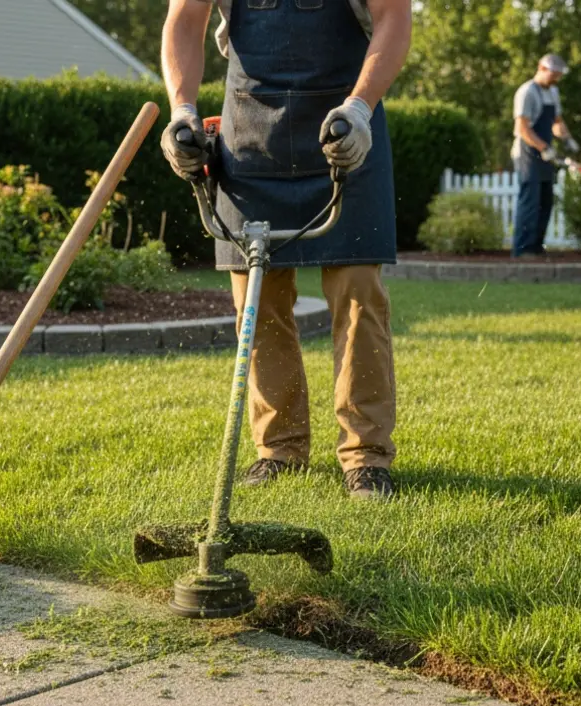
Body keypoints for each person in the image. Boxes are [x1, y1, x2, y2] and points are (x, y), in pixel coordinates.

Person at [159, 0, 412, 499]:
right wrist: (182, 111)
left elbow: (394, 19)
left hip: (344, 126)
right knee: (258, 297)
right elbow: (184, 21)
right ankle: (279, 450)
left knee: (358, 292)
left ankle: (365, 456)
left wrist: (361, 108)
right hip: (249, 133)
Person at [511, 53, 579, 257]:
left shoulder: (553, 92)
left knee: (545, 200)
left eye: (558, 76)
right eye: (553, 75)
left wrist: (567, 139)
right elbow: (522, 128)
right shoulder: (526, 92)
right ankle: (522, 250)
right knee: (530, 200)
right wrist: (544, 148)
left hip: (545, 152)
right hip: (527, 153)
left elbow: (556, 122)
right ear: (541, 68)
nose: (556, 79)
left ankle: (536, 247)